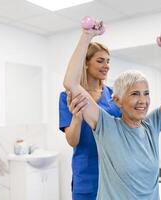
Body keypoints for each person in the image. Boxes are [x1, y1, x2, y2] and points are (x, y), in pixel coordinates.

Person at [63, 22, 161, 199]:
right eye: (135, 94)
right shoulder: (106, 126)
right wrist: (86, 36)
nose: (143, 101)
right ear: (116, 101)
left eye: (146, 94)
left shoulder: (151, 125)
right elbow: (71, 83)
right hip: (89, 177)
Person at [59, 40, 121, 199]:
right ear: (85, 64)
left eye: (108, 61)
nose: (106, 65)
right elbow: (72, 141)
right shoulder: (68, 96)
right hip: (86, 176)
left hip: (115, 174)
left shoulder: (115, 96)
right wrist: (77, 117)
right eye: (100, 61)